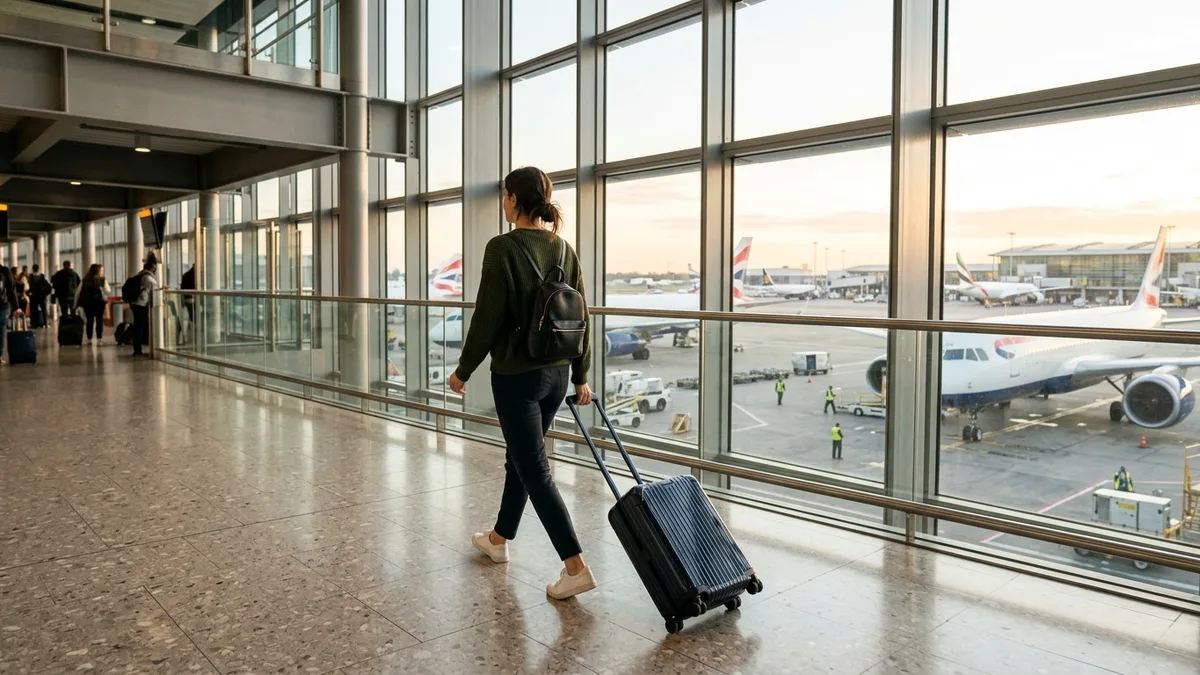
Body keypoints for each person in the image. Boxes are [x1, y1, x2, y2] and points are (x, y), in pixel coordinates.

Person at [447, 166, 597, 601]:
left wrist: (464, 369)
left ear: (513, 199)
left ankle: (575, 565)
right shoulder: (564, 249)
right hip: (557, 373)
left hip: (517, 376)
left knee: (533, 467)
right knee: (522, 458)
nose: (502, 201)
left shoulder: (502, 248)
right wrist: (581, 375)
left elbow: (487, 318)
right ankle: (498, 539)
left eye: (504, 195)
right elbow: (581, 317)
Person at [130, 261, 163, 357]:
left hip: (136, 304)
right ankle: (138, 349)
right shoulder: (148, 278)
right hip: (141, 304)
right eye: (155, 268)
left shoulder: (140, 275)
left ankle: (138, 348)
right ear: (152, 268)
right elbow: (155, 290)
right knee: (140, 327)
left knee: (138, 326)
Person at [76, 264, 109, 343]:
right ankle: (99, 338)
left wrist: (76, 303)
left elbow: (78, 292)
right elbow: (108, 290)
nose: (102, 272)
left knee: (89, 320)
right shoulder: (102, 279)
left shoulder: (85, 279)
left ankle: (89, 339)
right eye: (101, 271)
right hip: (99, 303)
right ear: (97, 271)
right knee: (99, 320)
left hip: (88, 303)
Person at [0, 265, 21, 365]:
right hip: (2, 304)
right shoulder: (4, 270)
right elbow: (11, 290)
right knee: (1, 328)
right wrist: (16, 306)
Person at [26, 264, 51, 329]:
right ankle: (45, 323)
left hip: (33, 296)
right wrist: (46, 293)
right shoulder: (42, 276)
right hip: (42, 296)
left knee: (33, 311)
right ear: (38, 269)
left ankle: (34, 324)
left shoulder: (30, 277)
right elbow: (48, 286)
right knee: (44, 310)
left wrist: (28, 293)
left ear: (33, 269)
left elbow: (28, 287)